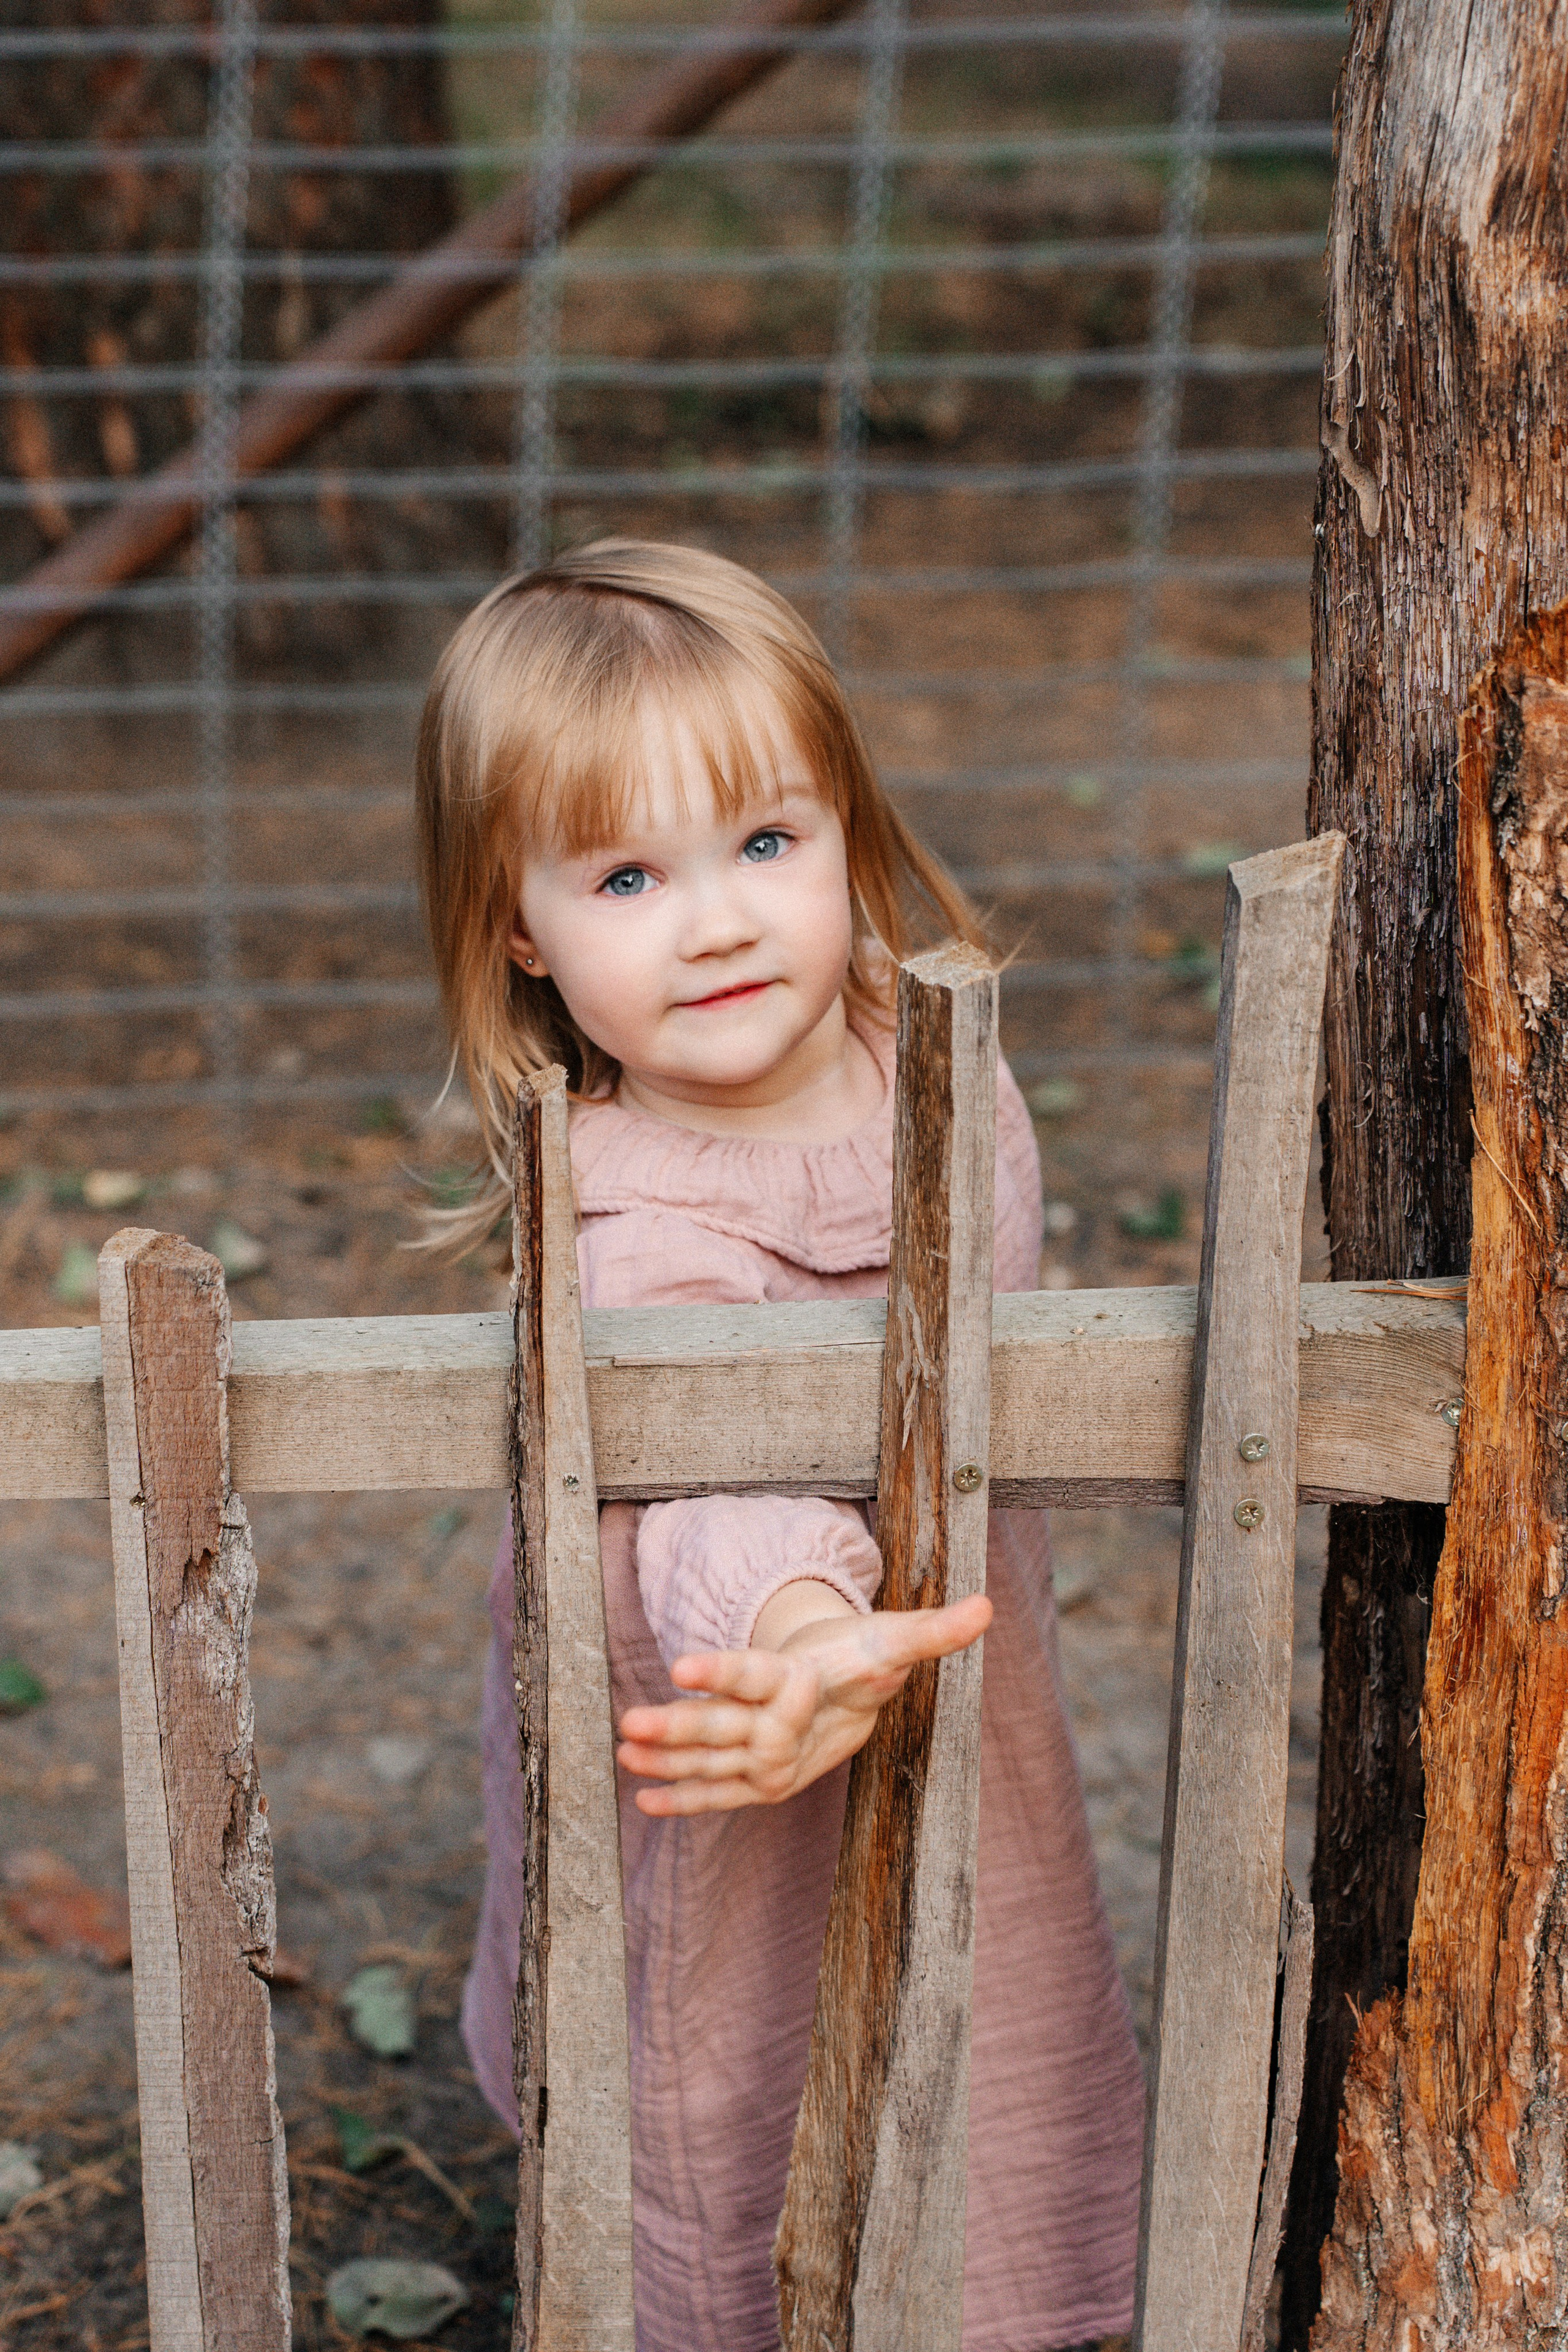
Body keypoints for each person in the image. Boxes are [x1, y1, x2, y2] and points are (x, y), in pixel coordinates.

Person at [415, 539, 1144, 2352]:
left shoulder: (928, 1046)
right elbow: (702, 1491)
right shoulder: (631, 1218)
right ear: (519, 928)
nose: (720, 919)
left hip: (954, 1690)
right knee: (735, 2071)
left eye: (764, 842)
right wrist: (805, 1636)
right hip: (733, 1720)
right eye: (627, 875)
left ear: (845, 828)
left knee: (973, 2003)